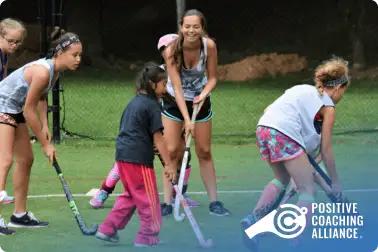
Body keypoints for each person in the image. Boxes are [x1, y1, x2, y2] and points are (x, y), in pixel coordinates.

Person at [241, 57, 350, 249]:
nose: (342, 95)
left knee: (281, 178)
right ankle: (295, 241)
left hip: (264, 129)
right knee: (307, 190)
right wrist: (336, 182)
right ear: (338, 87)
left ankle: (252, 220)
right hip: (285, 133)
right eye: (344, 90)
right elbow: (326, 150)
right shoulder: (328, 107)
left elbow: (270, 110)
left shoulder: (302, 90)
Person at [89, 33, 200, 213]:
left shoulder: (188, 72)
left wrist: (185, 121)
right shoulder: (159, 74)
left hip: (173, 123)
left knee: (183, 155)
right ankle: (104, 191)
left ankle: (181, 194)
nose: (169, 53)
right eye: (164, 50)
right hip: (152, 128)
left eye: (172, 48)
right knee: (127, 160)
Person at [0, 32, 82, 235]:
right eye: (74, 55)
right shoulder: (43, 72)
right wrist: (46, 144)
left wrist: (45, 126)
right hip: (3, 105)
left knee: (26, 159)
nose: (78, 59)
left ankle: (19, 215)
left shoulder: (54, 72)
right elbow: (29, 110)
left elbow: (41, 98)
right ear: (60, 52)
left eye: (80, 55)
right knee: (5, 160)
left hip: (15, 108)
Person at [95, 62, 176, 246]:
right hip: (138, 160)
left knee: (132, 196)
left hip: (123, 156)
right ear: (153, 84)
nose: (165, 88)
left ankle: (107, 229)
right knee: (149, 199)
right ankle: (147, 237)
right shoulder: (152, 105)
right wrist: (169, 164)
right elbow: (159, 138)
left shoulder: (135, 102)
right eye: (163, 84)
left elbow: (137, 130)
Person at [161, 9, 230, 216]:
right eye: (187, 26)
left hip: (200, 103)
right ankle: (166, 202)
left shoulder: (209, 46)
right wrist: (186, 119)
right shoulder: (171, 50)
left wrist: (203, 94)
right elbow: (177, 87)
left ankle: (214, 202)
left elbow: (212, 79)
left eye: (196, 26)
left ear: (202, 28)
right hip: (175, 102)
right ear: (181, 27)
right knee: (172, 150)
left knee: (204, 151)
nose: (191, 30)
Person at [0, 18, 27, 204]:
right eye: (11, 41)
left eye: (18, 42)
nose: (15, 45)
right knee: (6, 157)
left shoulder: (4, 54)